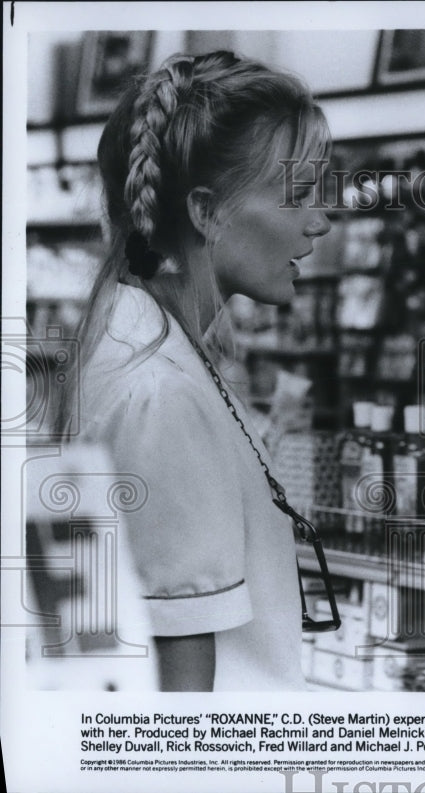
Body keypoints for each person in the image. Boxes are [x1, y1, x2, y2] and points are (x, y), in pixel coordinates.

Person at [60, 50, 333, 690]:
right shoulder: (161, 390)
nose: (320, 221)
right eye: (297, 194)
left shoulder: (142, 340)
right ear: (207, 211)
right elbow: (183, 696)